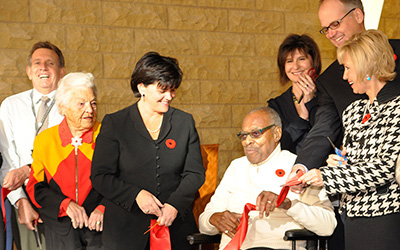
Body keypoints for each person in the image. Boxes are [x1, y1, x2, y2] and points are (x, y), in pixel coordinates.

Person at [291, 1, 400, 248]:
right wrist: (336, 164)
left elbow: (383, 167)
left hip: (386, 214)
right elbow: (326, 132)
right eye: (325, 29)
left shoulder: (396, 108)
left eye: (335, 24)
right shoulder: (353, 110)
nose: (330, 33)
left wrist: (326, 176)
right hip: (352, 213)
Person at [90, 51, 205, 250]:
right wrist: (136, 194)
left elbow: (194, 173)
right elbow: (101, 176)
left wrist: (174, 205)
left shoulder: (184, 122)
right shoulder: (115, 123)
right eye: (162, 90)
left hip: (174, 225)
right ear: (141, 86)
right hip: (125, 232)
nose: (169, 96)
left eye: (173, 90)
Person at [199, 107, 336, 250]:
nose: (248, 142)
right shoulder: (236, 167)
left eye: (255, 134)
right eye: (244, 136)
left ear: (276, 133)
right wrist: (213, 219)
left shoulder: (298, 167)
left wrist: (288, 204)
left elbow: (328, 226)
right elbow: (204, 224)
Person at [26, 72, 105, 249]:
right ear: (62, 107)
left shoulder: (107, 134)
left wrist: (104, 208)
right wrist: (65, 205)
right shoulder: (45, 140)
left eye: (93, 103)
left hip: (100, 228)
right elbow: (35, 187)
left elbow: (123, 181)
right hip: (61, 230)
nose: (90, 110)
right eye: (81, 104)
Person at [0, 41, 66, 250]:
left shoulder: (73, 105)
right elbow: (6, 160)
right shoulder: (10, 106)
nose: (43, 67)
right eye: (37, 63)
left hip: (63, 198)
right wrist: (20, 202)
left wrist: (28, 170)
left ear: (62, 72)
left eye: (50, 63)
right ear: (29, 72)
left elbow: (69, 154)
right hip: (24, 197)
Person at [268, 34, 321, 154]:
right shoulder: (276, 105)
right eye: (289, 61)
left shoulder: (328, 97)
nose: (295, 66)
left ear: (313, 61)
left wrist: (311, 103)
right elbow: (275, 146)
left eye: (302, 59)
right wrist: (302, 117)